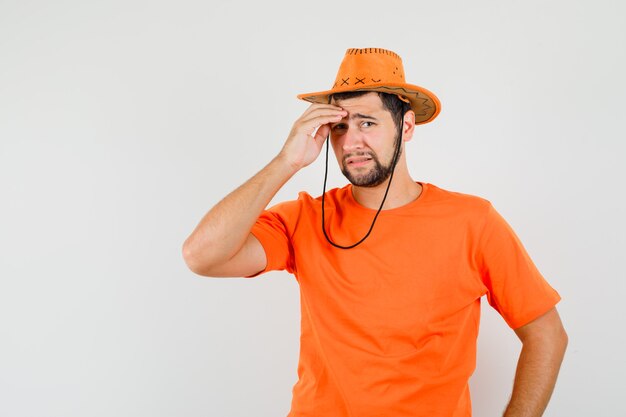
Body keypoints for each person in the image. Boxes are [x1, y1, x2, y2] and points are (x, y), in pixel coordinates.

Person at [182, 47, 568, 417]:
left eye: (367, 123)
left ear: (407, 126)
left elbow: (546, 334)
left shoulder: (473, 221)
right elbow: (202, 255)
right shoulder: (304, 218)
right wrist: (288, 161)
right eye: (339, 127)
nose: (351, 142)